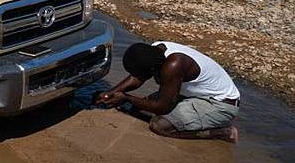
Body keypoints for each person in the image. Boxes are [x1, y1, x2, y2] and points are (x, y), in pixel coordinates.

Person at [96, 41, 241, 142]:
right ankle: (183, 121)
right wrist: (111, 92)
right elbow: (137, 77)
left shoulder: (173, 65)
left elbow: (163, 106)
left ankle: (222, 132)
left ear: (153, 69)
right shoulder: (155, 51)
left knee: (159, 126)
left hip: (221, 105)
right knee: (138, 108)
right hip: (195, 97)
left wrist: (126, 98)